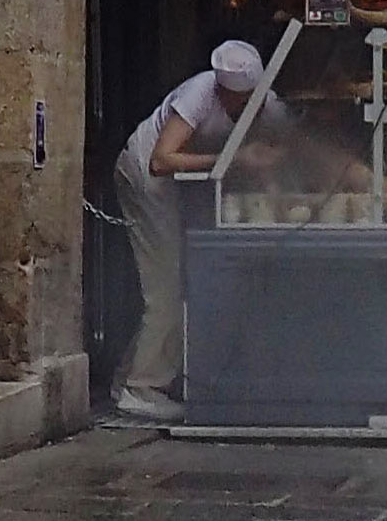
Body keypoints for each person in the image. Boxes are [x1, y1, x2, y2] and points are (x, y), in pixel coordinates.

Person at [112, 41, 288, 422]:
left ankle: (130, 378)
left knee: (177, 282)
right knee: (165, 286)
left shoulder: (265, 103)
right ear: (222, 90)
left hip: (180, 185)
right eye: (235, 99)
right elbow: (161, 160)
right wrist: (231, 161)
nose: (242, 106)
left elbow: (289, 145)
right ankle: (141, 388)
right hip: (147, 179)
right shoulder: (199, 92)